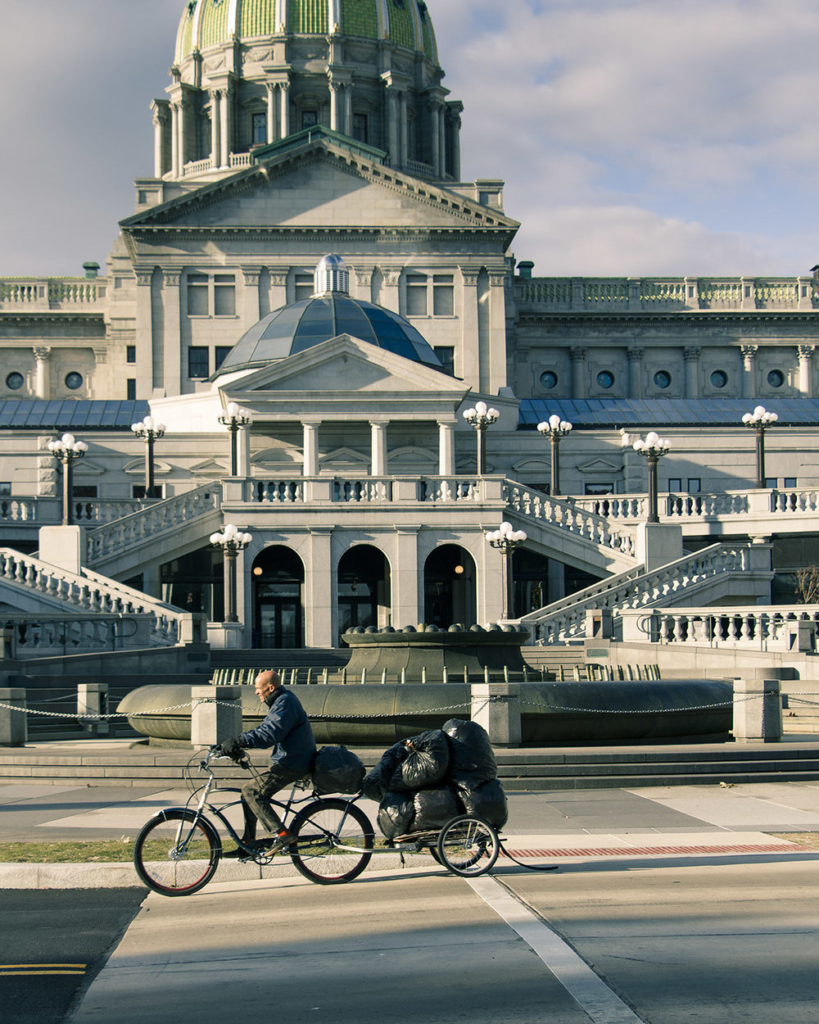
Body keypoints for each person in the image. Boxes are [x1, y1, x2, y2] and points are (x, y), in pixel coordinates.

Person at [219, 669, 316, 858]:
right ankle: (248, 845)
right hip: (292, 759)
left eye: (258, 688)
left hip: (294, 762)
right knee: (248, 794)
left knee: (251, 791)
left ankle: (282, 834)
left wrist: (238, 741)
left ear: (270, 688)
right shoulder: (281, 700)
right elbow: (267, 729)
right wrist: (227, 745)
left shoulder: (285, 702)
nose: (255, 692)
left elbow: (269, 734)